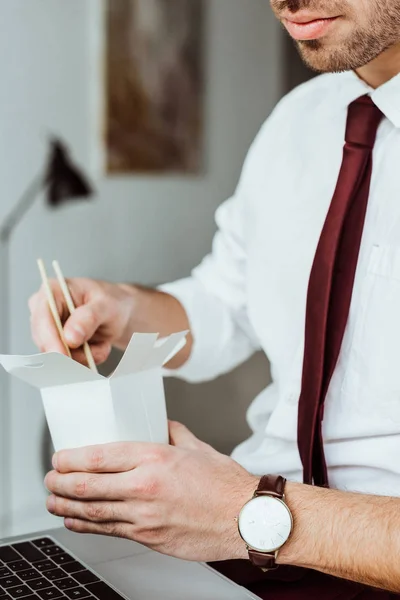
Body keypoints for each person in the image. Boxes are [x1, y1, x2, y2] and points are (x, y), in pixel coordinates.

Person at [29, 0, 400, 597]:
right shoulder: (298, 119)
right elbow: (228, 302)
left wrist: (242, 512)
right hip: (240, 549)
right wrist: (121, 309)